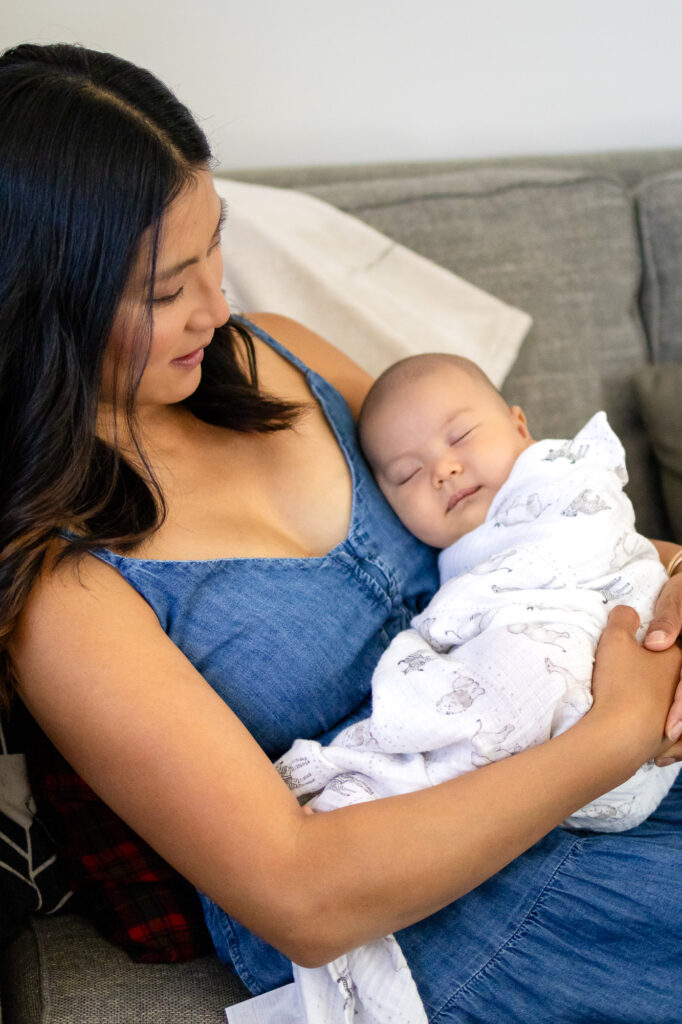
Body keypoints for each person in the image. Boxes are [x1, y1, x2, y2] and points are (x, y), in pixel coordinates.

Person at [2, 40, 682, 1024]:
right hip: (461, 905)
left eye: (216, 250)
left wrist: (661, 580)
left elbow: (520, 510)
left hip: (615, 759)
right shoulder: (62, 589)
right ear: (39, 304)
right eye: (165, 291)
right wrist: (614, 734)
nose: (218, 306)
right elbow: (302, 895)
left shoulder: (283, 357)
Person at [278, 353, 678, 832]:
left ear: (520, 427)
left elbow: (599, 538)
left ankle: (364, 779)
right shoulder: (454, 559)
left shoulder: (561, 475)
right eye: (407, 474)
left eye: (461, 436)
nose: (443, 470)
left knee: (518, 666)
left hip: (635, 678)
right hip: (561, 769)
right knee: (468, 685)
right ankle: (363, 782)